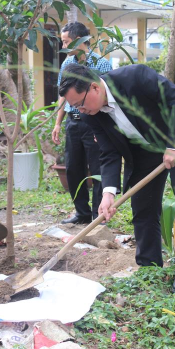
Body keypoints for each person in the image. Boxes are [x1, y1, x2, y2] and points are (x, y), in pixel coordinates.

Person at [58, 63, 175, 292]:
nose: (79, 111)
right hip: (144, 147)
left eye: (79, 104)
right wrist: (108, 193)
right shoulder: (91, 114)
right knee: (143, 205)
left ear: (94, 87)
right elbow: (108, 151)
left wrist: (174, 145)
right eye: (74, 108)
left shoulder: (135, 77)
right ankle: (149, 266)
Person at [52, 22, 112, 224]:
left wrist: (103, 126)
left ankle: (98, 215)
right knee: (73, 168)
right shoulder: (67, 63)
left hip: (94, 122)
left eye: (66, 42)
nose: (64, 46)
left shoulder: (101, 63)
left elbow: (105, 95)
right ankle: (82, 213)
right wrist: (58, 123)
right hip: (73, 122)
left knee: (97, 169)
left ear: (79, 40)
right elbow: (63, 94)